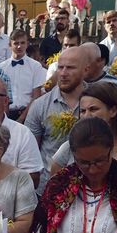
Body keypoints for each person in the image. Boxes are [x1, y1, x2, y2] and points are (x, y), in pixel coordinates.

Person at [49, 82, 117, 206]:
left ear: (113, 110)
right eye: (83, 111)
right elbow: (53, 195)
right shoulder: (68, 148)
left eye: (93, 109)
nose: (87, 116)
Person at [26, 46, 87, 178]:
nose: (63, 73)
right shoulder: (40, 105)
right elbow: (30, 152)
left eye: (70, 68)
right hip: (49, 185)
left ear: (85, 70)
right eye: (60, 67)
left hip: (89, 187)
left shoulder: (98, 102)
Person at [2, 30, 46, 121]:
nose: (19, 46)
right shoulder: (1, 67)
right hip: (6, 114)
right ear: (10, 45)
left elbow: (36, 96)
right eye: (16, 43)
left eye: (22, 43)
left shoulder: (35, 66)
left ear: (27, 44)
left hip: (28, 113)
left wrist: (22, 118)